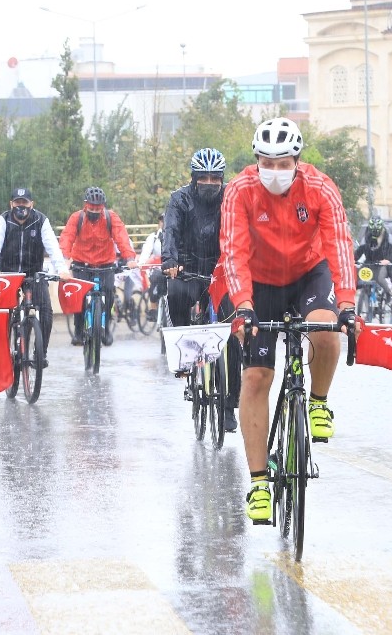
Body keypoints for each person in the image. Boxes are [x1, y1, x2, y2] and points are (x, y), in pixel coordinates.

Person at [220, 117, 359, 524]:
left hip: (308, 274)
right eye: (268, 162)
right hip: (260, 284)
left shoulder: (320, 187)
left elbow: (339, 245)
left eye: (284, 163)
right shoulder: (239, 191)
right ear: (256, 159)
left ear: (297, 160)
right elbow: (233, 252)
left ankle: (317, 402)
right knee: (256, 378)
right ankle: (260, 483)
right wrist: (243, 305)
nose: (276, 171)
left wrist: (348, 304)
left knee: (325, 328)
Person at [162, 148, 242, 432]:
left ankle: (231, 403)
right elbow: (170, 230)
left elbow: (243, 232)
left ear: (222, 178)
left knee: (233, 333)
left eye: (215, 178)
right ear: (194, 178)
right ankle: (185, 359)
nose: (209, 183)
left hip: (222, 271)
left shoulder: (232, 199)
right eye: (203, 178)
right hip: (188, 268)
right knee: (175, 295)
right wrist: (170, 260)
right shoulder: (179, 200)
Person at [0, 187, 72, 366]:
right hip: (8, 275)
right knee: (2, 315)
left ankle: (41, 353)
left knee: (47, 312)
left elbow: (53, 247)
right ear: (11, 204)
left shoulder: (41, 221)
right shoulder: (3, 220)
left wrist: (61, 269)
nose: (21, 206)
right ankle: (3, 351)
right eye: (17, 203)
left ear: (31, 204)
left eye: (24, 203)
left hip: (34, 274)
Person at [58, 186, 138, 346]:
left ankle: (106, 328)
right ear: (85, 204)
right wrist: (65, 259)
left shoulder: (111, 218)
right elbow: (67, 237)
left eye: (98, 208)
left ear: (103, 206)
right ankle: (79, 330)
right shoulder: (77, 218)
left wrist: (129, 257)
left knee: (108, 293)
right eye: (91, 207)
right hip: (82, 264)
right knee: (79, 297)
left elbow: (121, 237)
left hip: (105, 265)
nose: (94, 210)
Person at [353, 216, 392, 301]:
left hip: (383, 266)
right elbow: (359, 251)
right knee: (357, 275)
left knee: (380, 278)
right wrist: (352, 260)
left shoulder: (388, 239)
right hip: (369, 264)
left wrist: (388, 260)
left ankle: (389, 293)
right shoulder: (366, 239)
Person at [139, 212, 166, 321]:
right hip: (157, 268)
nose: (164, 223)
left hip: (173, 268)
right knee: (154, 281)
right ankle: (153, 309)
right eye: (162, 220)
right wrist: (141, 263)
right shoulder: (153, 237)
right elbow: (146, 252)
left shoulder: (178, 234)